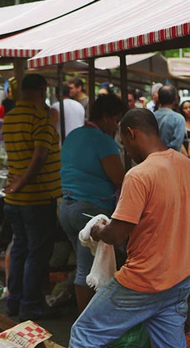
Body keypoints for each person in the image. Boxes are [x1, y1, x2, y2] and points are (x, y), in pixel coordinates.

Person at [69, 108, 190, 347]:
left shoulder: (138, 175)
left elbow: (117, 234)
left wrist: (98, 230)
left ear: (131, 134)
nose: (127, 153)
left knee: (84, 332)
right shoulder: (188, 166)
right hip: (179, 279)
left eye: (125, 144)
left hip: (144, 280)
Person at [59, 94, 127, 314]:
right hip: (89, 211)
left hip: (67, 208)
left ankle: (90, 321)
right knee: (87, 270)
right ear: (105, 117)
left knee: (85, 265)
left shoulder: (73, 135)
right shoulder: (102, 141)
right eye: (116, 120)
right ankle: (86, 326)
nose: (117, 126)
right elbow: (119, 178)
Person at [2, 74, 61, 321]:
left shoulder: (10, 117)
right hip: (36, 197)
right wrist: (21, 183)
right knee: (37, 252)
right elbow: (39, 156)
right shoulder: (40, 118)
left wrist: (16, 185)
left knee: (19, 250)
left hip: (14, 202)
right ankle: (32, 304)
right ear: (42, 90)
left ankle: (13, 302)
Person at [153, 84, 185, 152]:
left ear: (158, 98)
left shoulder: (150, 116)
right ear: (176, 98)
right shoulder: (179, 119)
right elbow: (176, 144)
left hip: (153, 157)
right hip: (172, 159)